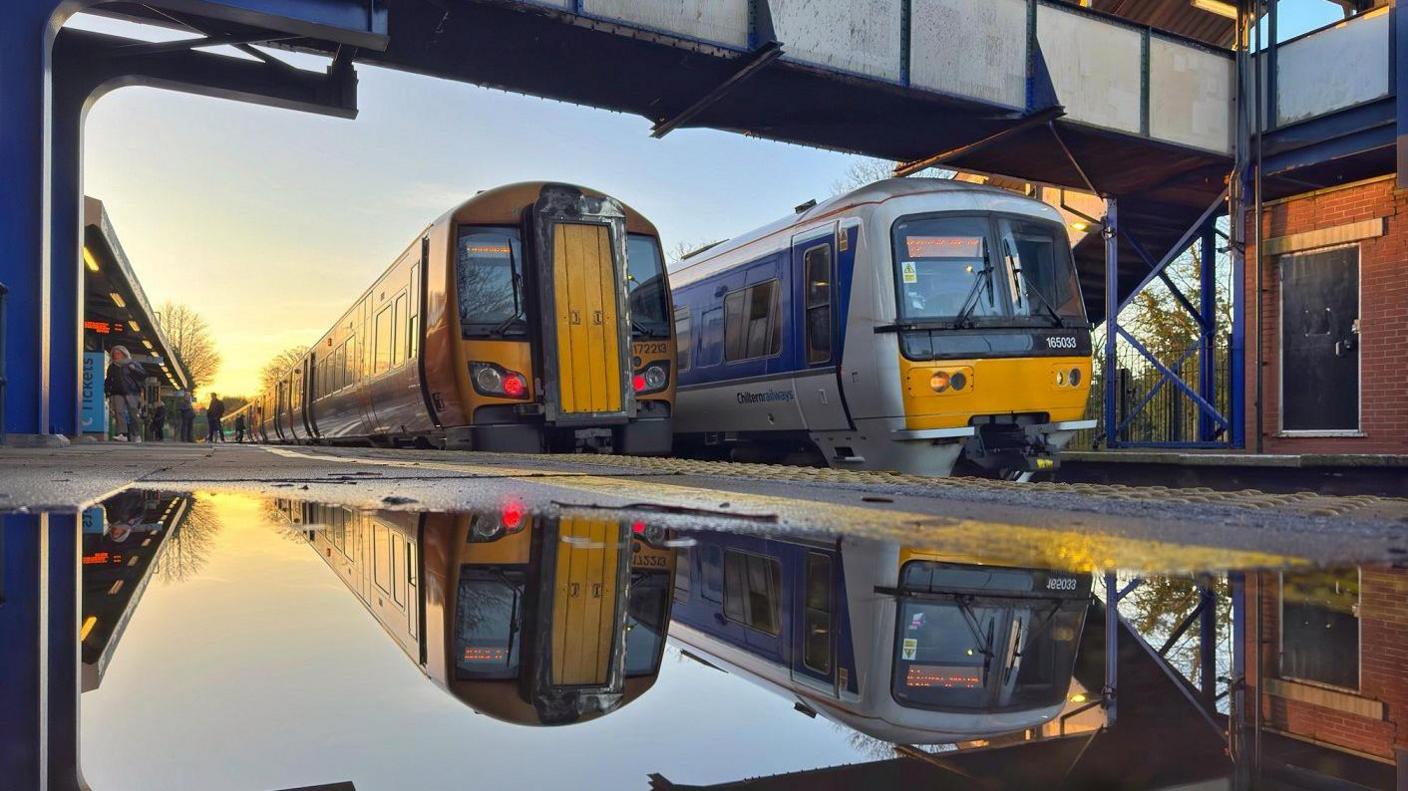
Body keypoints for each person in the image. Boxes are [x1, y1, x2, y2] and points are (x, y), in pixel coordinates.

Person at [103, 345, 144, 443]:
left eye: (118, 353)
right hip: (117, 392)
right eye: (114, 354)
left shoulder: (132, 364)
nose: (116, 355)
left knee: (133, 413)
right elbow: (108, 380)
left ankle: (136, 434)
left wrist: (134, 369)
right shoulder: (112, 367)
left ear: (124, 354)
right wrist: (107, 391)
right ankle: (122, 434)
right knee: (118, 412)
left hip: (131, 392)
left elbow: (141, 376)